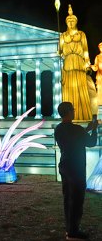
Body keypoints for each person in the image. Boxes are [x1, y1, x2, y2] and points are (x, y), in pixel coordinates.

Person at [54, 102, 97, 240]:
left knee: (68, 198)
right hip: (77, 168)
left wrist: (87, 129)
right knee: (77, 200)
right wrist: (94, 129)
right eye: (72, 109)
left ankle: (69, 228)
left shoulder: (58, 129)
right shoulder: (77, 129)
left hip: (65, 166)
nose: (74, 111)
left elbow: (74, 138)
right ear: (68, 112)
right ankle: (74, 231)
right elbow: (91, 143)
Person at [59, 4, 97, 121]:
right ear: (66, 22)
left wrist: (87, 63)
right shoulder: (63, 35)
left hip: (79, 63)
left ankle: (83, 115)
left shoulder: (81, 34)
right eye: (68, 20)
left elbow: (85, 50)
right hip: (68, 65)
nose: (70, 22)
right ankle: (69, 116)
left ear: (76, 21)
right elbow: (60, 52)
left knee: (81, 89)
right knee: (70, 89)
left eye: (73, 20)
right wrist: (59, 53)